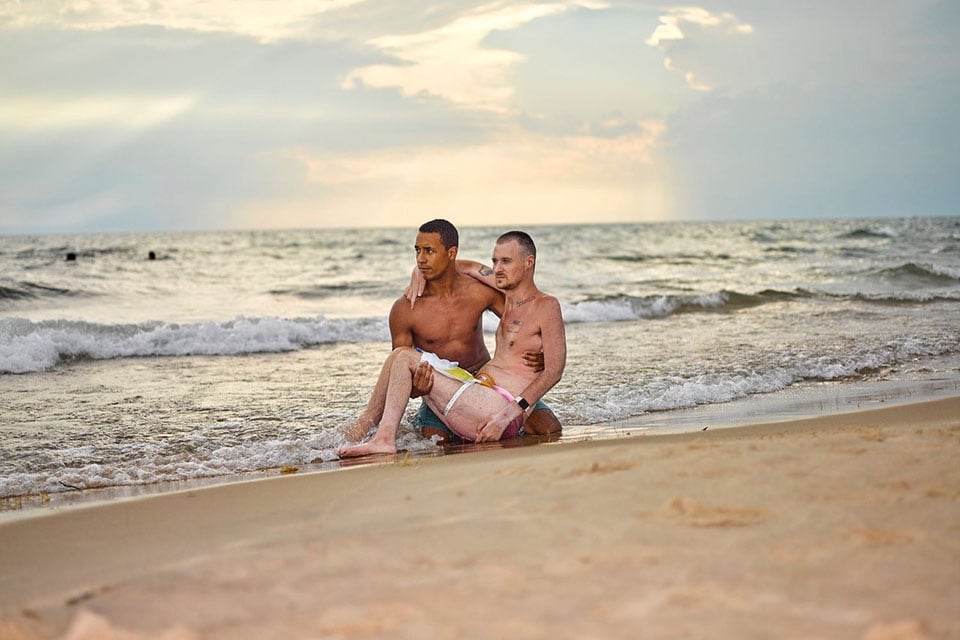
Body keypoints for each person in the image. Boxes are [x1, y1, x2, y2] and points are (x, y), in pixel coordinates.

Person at [338, 230, 566, 457]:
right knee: (398, 357)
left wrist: (505, 417)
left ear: (528, 262)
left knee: (405, 357)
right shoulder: (509, 299)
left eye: (505, 261)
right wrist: (420, 270)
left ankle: (382, 438)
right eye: (494, 261)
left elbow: (555, 370)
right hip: (472, 387)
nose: (497, 269)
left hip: (498, 405)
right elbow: (470, 268)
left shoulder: (545, 305)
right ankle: (362, 430)